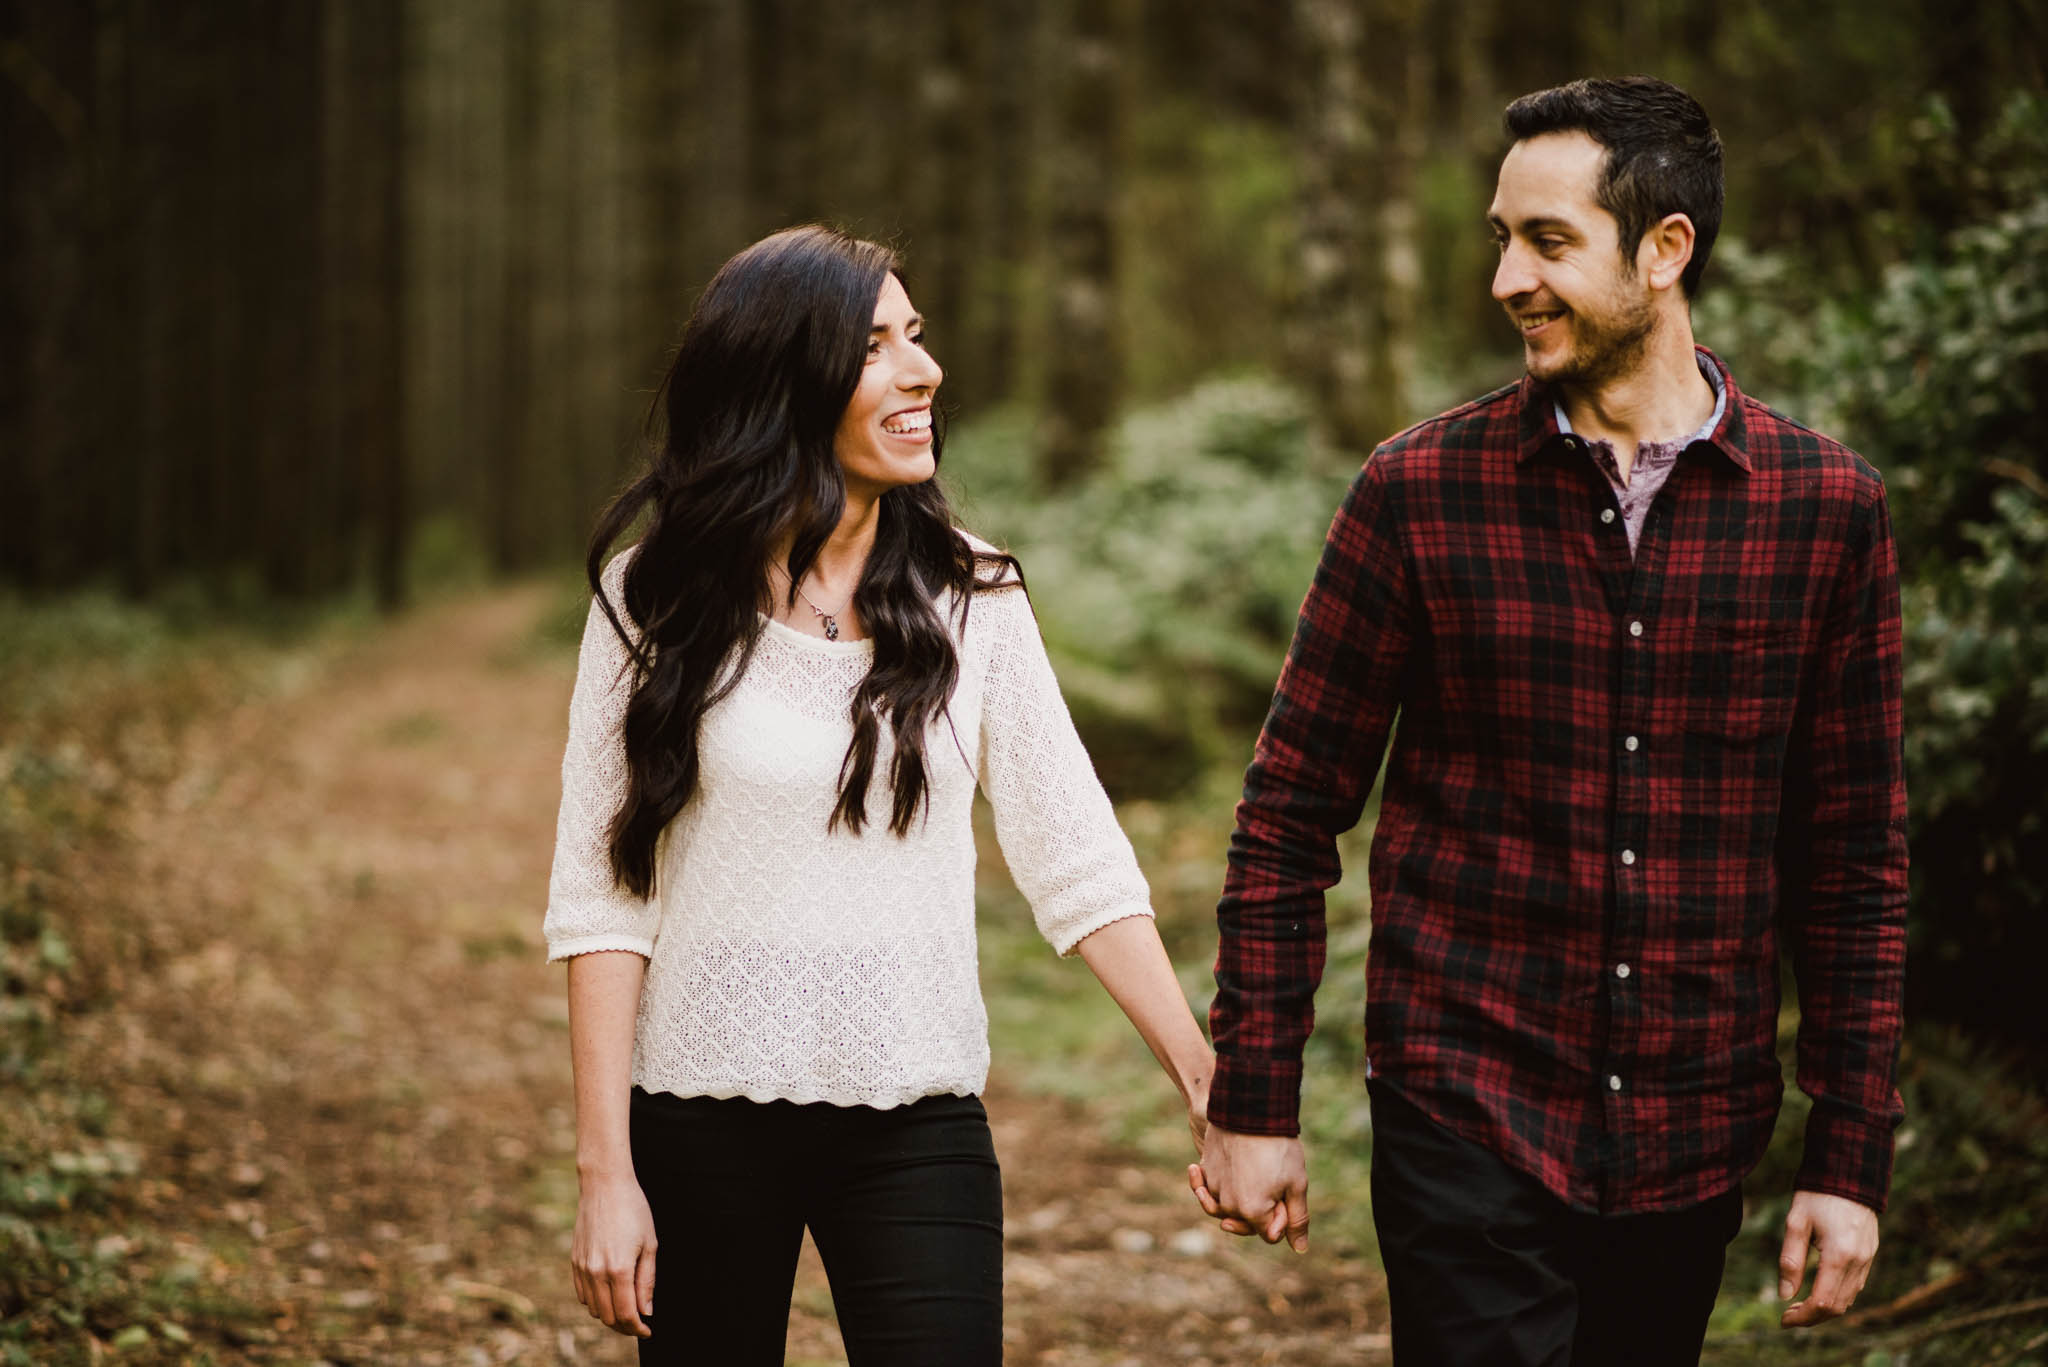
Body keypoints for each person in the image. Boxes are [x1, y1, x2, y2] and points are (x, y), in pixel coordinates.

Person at [1191, 76, 1906, 1364]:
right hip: (1463, 1099)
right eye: (1500, 238)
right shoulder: (1416, 490)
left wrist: (1845, 1154)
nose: (1508, 277)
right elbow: (1289, 810)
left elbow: (1853, 865)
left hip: (1693, 1129)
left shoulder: (1825, 509)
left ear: (1664, 248)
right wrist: (1254, 1098)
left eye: (1548, 241)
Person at [543, 225, 1213, 1365]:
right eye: (873, 349)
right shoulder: (652, 597)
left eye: (917, 335)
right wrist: (606, 1172)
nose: (921, 371)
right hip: (697, 1111)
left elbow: (1075, 857)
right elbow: (606, 894)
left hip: (915, 1112)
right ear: (782, 386)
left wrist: (1203, 1080)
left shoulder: (974, 591)